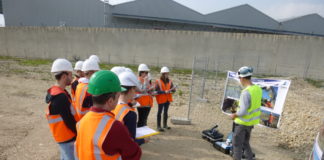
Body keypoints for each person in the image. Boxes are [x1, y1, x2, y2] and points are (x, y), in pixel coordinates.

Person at [75, 70, 142, 160]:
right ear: (110, 101)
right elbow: (134, 153)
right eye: (118, 96)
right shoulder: (114, 126)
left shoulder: (82, 121)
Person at [45, 58, 78, 160]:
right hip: (67, 137)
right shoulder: (60, 97)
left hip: (62, 136)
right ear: (64, 76)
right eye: (70, 75)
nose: (72, 77)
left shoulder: (55, 92)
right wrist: (78, 133)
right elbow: (68, 120)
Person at [229, 66, 262, 160]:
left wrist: (234, 115)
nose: (239, 80)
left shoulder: (246, 92)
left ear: (242, 78)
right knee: (245, 143)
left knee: (236, 144)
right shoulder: (257, 89)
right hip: (250, 123)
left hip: (242, 123)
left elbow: (242, 111)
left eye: (239, 78)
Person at [112, 71, 147, 145]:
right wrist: (143, 140)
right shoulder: (130, 114)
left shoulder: (111, 105)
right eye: (135, 89)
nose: (135, 92)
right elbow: (131, 142)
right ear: (131, 89)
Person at [155, 66, 176, 132]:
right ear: (163, 74)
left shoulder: (170, 81)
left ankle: (165, 125)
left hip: (167, 99)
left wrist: (173, 90)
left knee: (166, 112)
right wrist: (164, 92)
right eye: (166, 73)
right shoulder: (158, 81)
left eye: (167, 73)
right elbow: (156, 91)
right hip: (161, 99)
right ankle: (158, 126)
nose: (167, 75)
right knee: (159, 112)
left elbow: (173, 89)